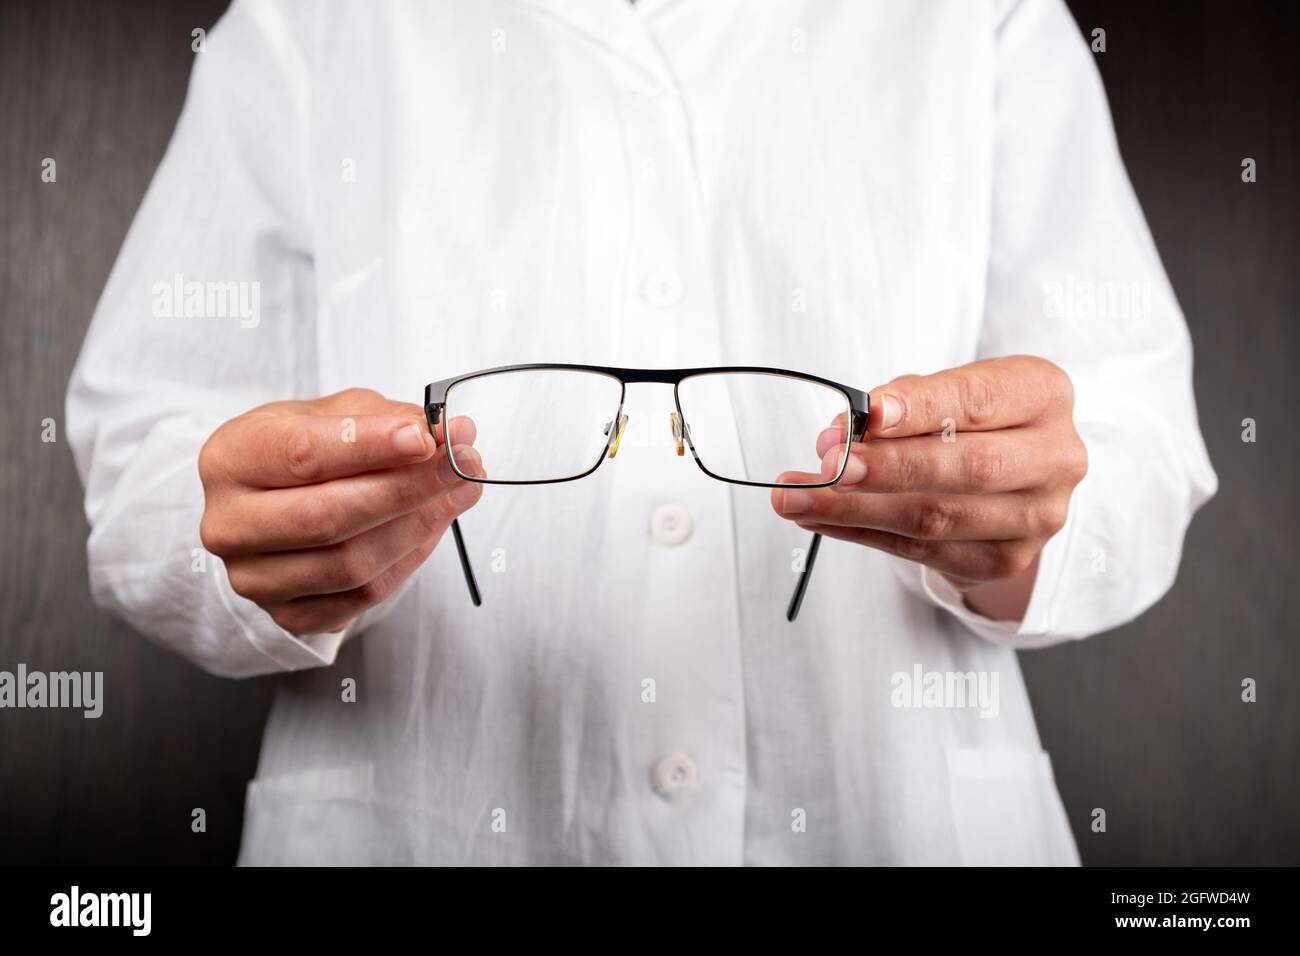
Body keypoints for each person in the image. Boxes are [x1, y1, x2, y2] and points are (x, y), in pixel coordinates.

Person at [66, 0, 1216, 865]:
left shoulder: (984, 18)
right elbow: (148, 454)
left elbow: (1133, 439)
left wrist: (1034, 516)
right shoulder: (316, 22)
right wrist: (249, 537)